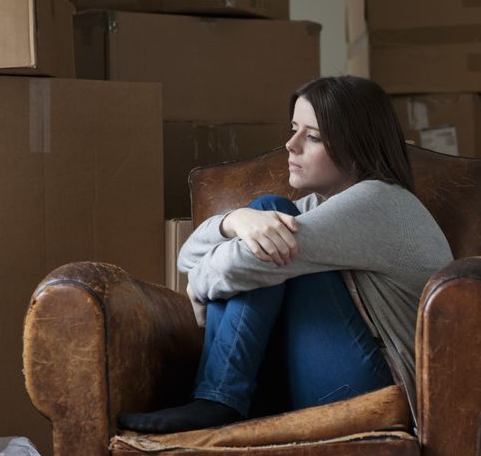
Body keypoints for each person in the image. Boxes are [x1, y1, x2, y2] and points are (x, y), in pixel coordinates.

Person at [118, 75, 453, 433]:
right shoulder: (318, 206)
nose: (290, 145)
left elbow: (233, 266)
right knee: (267, 218)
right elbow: (186, 257)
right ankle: (219, 399)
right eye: (294, 129)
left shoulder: (378, 203)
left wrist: (199, 284)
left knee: (271, 214)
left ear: (358, 146)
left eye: (313, 136)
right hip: (338, 383)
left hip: (374, 398)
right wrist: (234, 220)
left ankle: (218, 400)